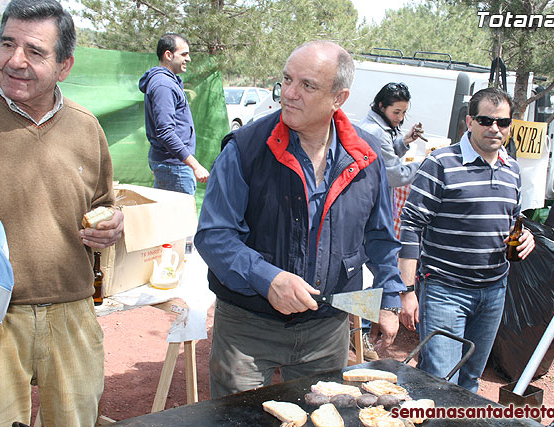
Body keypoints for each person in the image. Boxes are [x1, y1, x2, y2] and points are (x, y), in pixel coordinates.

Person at [195, 40, 406, 398]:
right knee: (237, 422)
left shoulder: (366, 157)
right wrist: (268, 278)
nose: (289, 94)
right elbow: (214, 235)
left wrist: (389, 300)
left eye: (307, 85)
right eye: (287, 80)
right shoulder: (245, 148)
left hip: (328, 330)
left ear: (339, 98)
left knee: (321, 419)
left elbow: (381, 237)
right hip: (247, 330)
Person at [0, 1, 124, 425]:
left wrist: (112, 223)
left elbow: (104, 202)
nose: (15, 60)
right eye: (7, 43)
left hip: (72, 311)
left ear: (64, 66)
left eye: (35, 51)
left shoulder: (86, 127)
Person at [398, 87, 535, 393]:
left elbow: (513, 220)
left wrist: (526, 237)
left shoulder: (512, 169)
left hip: (494, 291)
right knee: (442, 381)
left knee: (471, 380)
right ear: (470, 121)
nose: (494, 128)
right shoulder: (441, 164)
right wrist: (407, 291)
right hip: (446, 291)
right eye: (486, 120)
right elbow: (410, 226)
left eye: (502, 122)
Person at [357, 82, 425, 360]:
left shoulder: (379, 128)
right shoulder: (374, 130)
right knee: (379, 269)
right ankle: (361, 332)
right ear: (380, 106)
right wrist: (427, 164)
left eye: (403, 114)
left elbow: (385, 154)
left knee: (375, 270)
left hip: (370, 206)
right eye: (396, 112)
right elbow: (394, 174)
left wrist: (404, 141)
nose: (399, 118)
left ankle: (361, 332)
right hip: (367, 209)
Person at [139, 33, 209, 195]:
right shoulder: (163, 85)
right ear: (168, 55)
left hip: (173, 166)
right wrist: (195, 165)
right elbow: (165, 132)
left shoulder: (167, 82)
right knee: (178, 220)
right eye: (184, 54)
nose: (188, 59)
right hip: (174, 167)